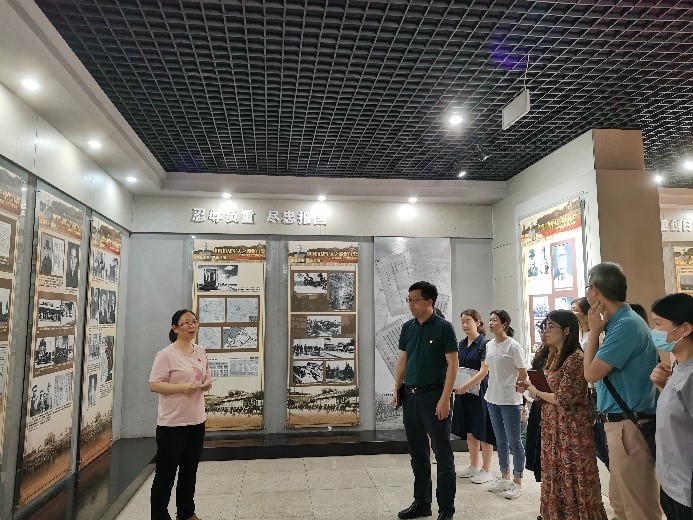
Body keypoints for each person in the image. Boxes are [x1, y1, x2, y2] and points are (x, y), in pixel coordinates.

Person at [583, 262, 661, 520]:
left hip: (629, 425)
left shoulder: (626, 325)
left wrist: (593, 331)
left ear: (595, 290)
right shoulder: (619, 322)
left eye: (588, 288)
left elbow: (590, 373)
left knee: (639, 509)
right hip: (620, 424)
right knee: (620, 504)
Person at [523, 310, 607, 520]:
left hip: (571, 429)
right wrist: (533, 389)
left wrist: (536, 392)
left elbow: (565, 398)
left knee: (573, 474)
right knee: (555, 474)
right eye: (544, 327)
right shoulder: (554, 356)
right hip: (553, 425)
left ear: (567, 330)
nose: (546, 331)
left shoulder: (576, 358)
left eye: (551, 327)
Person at [392, 281, 457, 520]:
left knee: (442, 455)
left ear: (430, 302)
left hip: (434, 396)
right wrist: (397, 388)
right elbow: (402, 360)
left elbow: (453, 365)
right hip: (411, 397)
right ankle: (422, 503)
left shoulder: (444, 328)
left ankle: (446, 509)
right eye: (408, 300)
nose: (410, 304)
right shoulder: (408, 327)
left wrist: (445, 398)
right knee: (418, 454)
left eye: (415, 300)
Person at [149, 309, 212, 520]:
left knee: (189, 470)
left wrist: (206, 383)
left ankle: (186, 513)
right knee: (166, 474)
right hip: (172, 424)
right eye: (186, 323)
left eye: (194, 321)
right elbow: (154, 385)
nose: (192, 326)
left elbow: (205, 373)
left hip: (196, 420)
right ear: (175, 328)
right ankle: (159, 516)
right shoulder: (166, 355)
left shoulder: (200, 350)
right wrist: (181, 388)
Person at [649, 293, 693, 520]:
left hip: (687, 491)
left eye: (659, 325)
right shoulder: (678, 367)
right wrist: (663, 386)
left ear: (684, 329)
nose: (654, 332)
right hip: (671, 484)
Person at [483, 310, 528, 499]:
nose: (491, 323)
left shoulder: (513, 346)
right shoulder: (489, 345)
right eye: (490, 319)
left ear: (505, 324)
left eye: (495, 320)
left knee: (514, 442)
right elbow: (487, 369)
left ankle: (517, 481)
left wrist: (521, 392)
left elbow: (523, 373)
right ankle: (504, 476)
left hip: (510, 400)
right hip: (492, 398)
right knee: (500, 440)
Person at [452, 309, 495, 484]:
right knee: (469, 429)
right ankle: (474, 465)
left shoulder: (485, 344)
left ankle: (486, 469)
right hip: (463, 392)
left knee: (483, 429)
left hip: (480, 392)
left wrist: (465, 385)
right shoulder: (461, 344)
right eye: (462, 322)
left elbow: (484, 371)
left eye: (468, 321)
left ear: (477, 322)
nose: (464, 325)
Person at [571, 296, 609, 469]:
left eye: (576, 310)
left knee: (600, 441)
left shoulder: (595, 336)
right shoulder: (578, 335)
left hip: (593, 389)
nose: (572, 313)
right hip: (581, 388)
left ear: (587, 314)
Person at [524, 320, 550, 483]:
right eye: (541, 330)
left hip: (553, 406)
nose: (544, 334)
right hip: (539, 404)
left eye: (548, 329)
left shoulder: (569, 355)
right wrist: (530, 387)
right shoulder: (542, 353)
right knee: (537, 449)